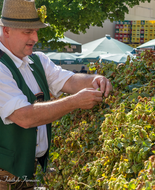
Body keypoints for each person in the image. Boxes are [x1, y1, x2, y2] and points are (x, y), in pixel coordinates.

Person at [0, 0, 112, 189]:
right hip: (5, 176)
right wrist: (74, 102)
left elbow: (68, 80)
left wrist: (96, 79)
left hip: (33, 171)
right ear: (6, 30)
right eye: (27, 32)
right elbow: (24, 117)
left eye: (36, 31)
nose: (35, 38)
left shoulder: (38, 60)